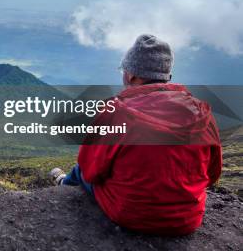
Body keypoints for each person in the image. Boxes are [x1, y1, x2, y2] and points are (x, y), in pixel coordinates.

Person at [50, 34, 222, 235]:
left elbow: (91, 170)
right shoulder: (202, 113)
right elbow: (212, 173)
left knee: (81, 168)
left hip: (131, 215)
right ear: (167, 77)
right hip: (187, 219)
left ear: (131, 75)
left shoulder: (117, 112)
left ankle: (65, 184)